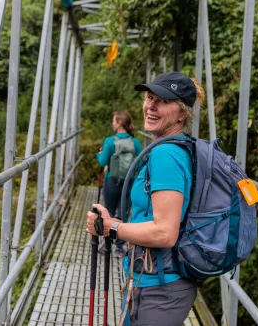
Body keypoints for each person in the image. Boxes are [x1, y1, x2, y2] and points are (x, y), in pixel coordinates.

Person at [86, 71, 206, 326]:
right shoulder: (173, 148)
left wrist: (111, 227)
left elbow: (165, 233)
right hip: (151, 279)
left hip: (160, 289)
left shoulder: (167, 156)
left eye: (162, 100)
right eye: (149, 97)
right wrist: (114, 223)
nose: (151, 105)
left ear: (182, 114)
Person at [96, 111, 142, 258]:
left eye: (114, 121)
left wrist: (99, 154)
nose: (112, 123)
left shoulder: (110, 141)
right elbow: (140, 165)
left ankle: (106, 242)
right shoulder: (135, 142)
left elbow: (103, 162)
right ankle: (120, 248)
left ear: (120, 123)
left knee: (108, 211)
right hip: (129, 183)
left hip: (111, 181)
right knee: (124, 214)